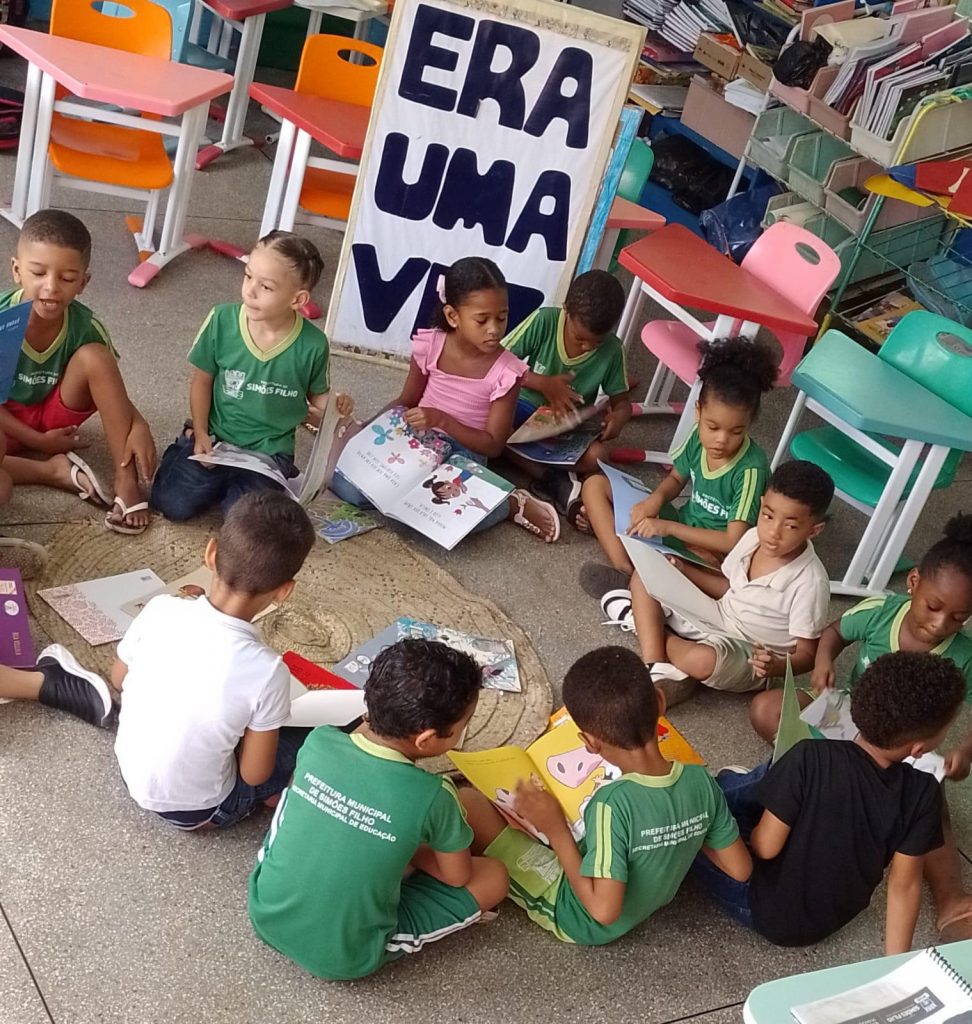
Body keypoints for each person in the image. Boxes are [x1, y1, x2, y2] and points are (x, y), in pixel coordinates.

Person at [248, 639, 509, 980]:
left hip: (266, 912)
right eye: (463, 727)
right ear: (426, 739)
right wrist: (409, 847)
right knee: (494, 876)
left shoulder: (320, 740)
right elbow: (457, 876)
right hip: (346, 955)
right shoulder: (435, 794)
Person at [459, 646, 751, 945]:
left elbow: (602, 911)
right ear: (660, 702)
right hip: (630, 891)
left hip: (577, 915)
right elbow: (739, 869)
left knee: (468, 804)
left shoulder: (610, 805)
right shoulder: (700, 780)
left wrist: (556, 830)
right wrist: (679, 830)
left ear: (589, 742)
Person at [694, 651, 963, 955]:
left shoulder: (810, 757)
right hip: (831, 918)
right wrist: (893, 963)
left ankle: (721, 791)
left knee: (704, 817)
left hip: (764, 909)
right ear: (918, 749)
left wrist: (746, 837)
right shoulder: (923, 792)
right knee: (766, 789)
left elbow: (766, 848)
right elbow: (904, 886)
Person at [113, 491, 316, 830]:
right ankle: (268, 799)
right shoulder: (268, 671)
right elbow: (253, 774)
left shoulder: (161, 609)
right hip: (198, 811)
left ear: (210, 553)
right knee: (313, 738)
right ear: (284, 591)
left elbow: (119, 678)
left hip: (129, 774)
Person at [330, 256, 560, 541]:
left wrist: (442, 420)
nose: (494, 329)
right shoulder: (431, 345)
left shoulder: (506, 372)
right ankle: (410, 494)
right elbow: (406, 401)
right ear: (452, 316)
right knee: (346, 487)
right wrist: (365, 433)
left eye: (501, 318)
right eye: (482, 320)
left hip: (464, 455)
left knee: (432, 517)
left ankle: (510, 503)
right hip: (416, 440)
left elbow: (493, 445)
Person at [151, 231, 351, 521]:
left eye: (266, 286)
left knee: (249, 520)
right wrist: (201, 431)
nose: (250, 291)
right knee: (172, 504)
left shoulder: (313, 344)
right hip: (215, 438)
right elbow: (201, 380)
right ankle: (190, 453)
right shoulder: (222, 320)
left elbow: (317, 395)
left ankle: (257, 483)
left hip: (269, 452)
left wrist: (335, 405)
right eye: (248, 276)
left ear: (297, 299)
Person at [604, 460, 833, 704]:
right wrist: (683, 570)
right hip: (719, 615)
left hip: (752, 650)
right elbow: (728, 588)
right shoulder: (753, 537)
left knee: (702, 661)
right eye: (767, 516)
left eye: (791, 526)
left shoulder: (811, 581)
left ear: (814, 530)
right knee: (646, 574)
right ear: (761, 503)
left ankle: (646, 625)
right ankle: (655, 664)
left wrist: (775, 666)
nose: (773, 532)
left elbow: (807, 654)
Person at [750, 512, 972, 758]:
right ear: (913, 581)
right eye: (932, 607)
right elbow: (836, 632)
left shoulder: (965, 656)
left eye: (959, 618)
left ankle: (831, 765)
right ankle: (829, 764)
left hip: (900, 746)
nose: (940, 624)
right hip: (849, 714)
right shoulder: (880, 612)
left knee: (926, 777)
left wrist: (964, 751)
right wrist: (823, 662)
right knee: (767, 709)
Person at [0, 209, 156, 534]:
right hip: (7, 422)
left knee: (96, 358)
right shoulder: (3, 319)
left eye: (67, 278)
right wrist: (39, 442)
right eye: (38, 273)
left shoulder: (86, 326)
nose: (51, 287)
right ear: (16, 270)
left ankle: (126, 482)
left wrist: (139, 424)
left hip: (55, 416)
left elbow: (110, 388)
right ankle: (52, 471)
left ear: (83, 282)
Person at [581, 336, 776, 595]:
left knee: (696, 569)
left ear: (749, 423)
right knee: (595, 485)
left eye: (736, 431)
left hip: (711, 554)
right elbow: (675, 479)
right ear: (698, 411)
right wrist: (654, 500)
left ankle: (640, 577)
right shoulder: (697, 436)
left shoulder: (751, 470)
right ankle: (626, 571)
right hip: (682, 527)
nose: (721, 439)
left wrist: (667, 527)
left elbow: (732, 541)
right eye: (713, 427)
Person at [502, 270, 630, 529]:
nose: (587, 347)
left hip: (565, 427)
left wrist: (618, 418)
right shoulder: (545, 320)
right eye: (580, 338)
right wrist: (543, 383)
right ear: (566, 311)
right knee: (488, 421)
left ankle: (525, 463)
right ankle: (553, 478)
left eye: (596, 342)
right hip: (521, 409)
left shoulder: (613, 350)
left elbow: (622, 402)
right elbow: (498, 362)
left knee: (597, 457)